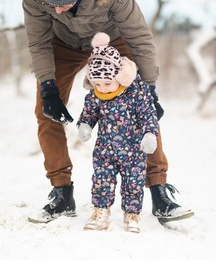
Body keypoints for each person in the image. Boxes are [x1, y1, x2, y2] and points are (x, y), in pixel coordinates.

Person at [23, 0, 194, 224]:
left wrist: (150, 89)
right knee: (46, 113)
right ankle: (61, 193)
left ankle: (159, 192)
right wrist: (47, 88)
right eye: (51, 3)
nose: (56, 10)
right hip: (61, 44)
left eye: (62, 3)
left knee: (143, 107)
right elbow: (38, 42)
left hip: (112, 39)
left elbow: (139, 38)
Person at [78, 32, 159, 233]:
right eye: (97, 84)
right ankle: (100, 212)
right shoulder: (96, 94)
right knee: (101, 180)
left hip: (133, 150)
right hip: (105, 149)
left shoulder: (136, 91)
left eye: (107, 83)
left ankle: (132, 214)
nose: (103, 88)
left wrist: (150, 134)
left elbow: (148, 113)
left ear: (120, 76)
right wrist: (85, 125)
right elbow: (89, 112)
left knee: (134, 182)